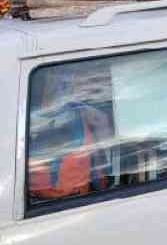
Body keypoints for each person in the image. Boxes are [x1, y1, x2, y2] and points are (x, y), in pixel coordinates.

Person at [28, 66, 113, 201]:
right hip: (44, 202)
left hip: (77, 198)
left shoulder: (85, 113)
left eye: (66, 80)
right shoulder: (24, 118)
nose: (65, 85)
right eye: (58, 81)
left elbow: (99, 160)